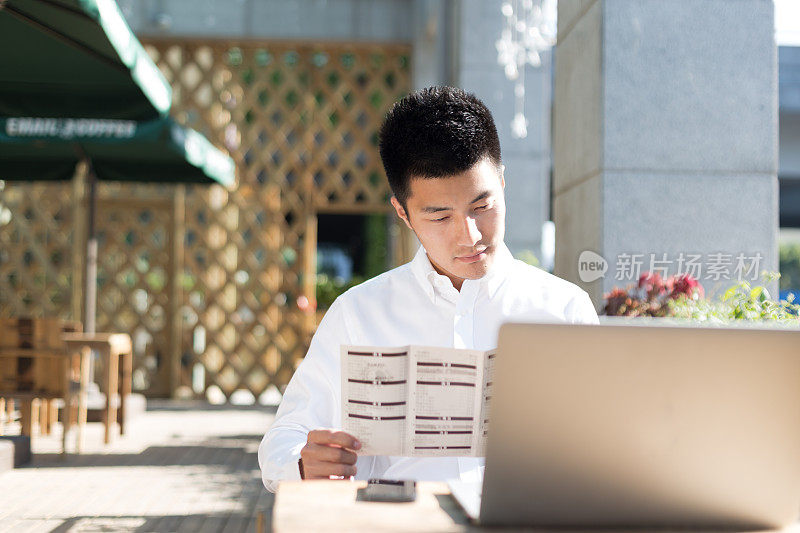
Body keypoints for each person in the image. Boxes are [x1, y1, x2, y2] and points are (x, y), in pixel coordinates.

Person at [258, 86, 598, 492]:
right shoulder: (360, 312)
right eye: (440, 217)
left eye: (481, 206)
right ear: (403, 213)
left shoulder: (564, 310)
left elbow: (607, 444)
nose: (469, 235)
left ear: (503, 184)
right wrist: (304, 463)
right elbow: (281, 444)